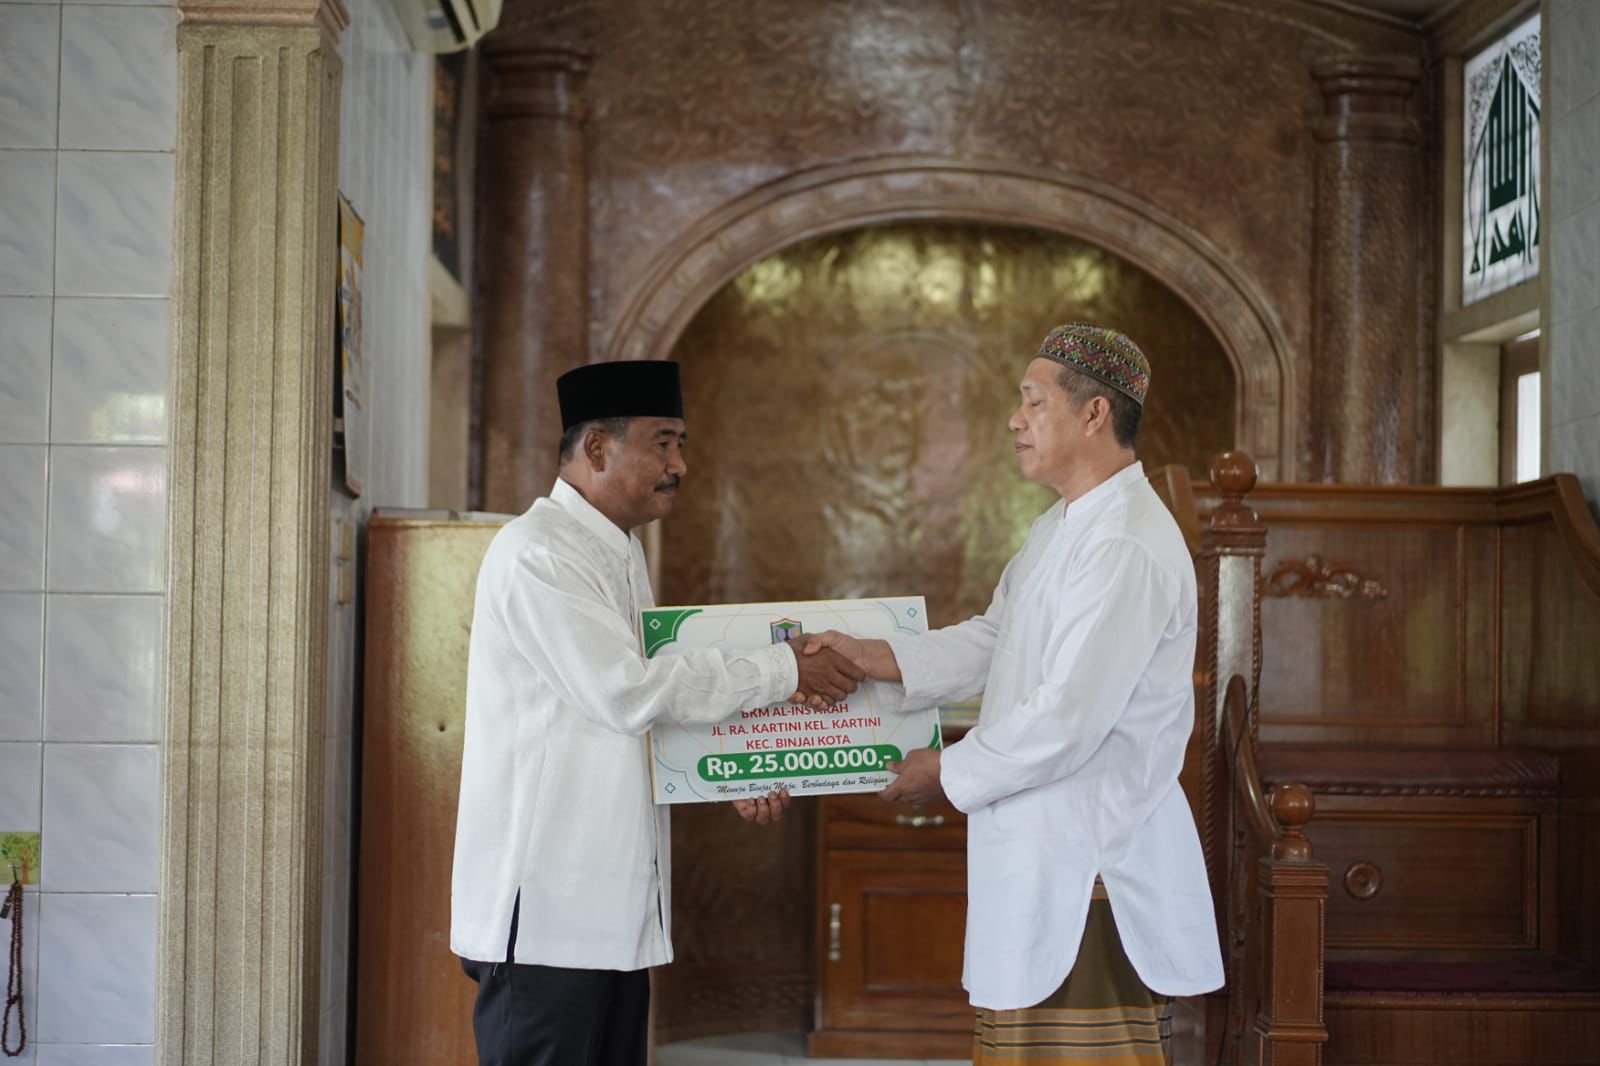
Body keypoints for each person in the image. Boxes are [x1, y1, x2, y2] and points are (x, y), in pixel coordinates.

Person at [806, 324, 1223, 1065]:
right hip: (1044, 856)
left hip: (1090, 866)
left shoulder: (1124, 541)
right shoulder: (1063, 527)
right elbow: (997, 640)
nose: (1014, 420)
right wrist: (877, 657)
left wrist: (945, 772)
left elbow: (1069, 717)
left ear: (1094, 414)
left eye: (1033, 403)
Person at [451, 359, 866, 1066]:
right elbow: (627, 692)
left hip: (608, 910)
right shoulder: (539, 554)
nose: (679, 464)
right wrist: (785, 667)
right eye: (663, 442)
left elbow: (647, 714)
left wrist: (730, 769)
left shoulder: (614, 551)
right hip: (549, 912)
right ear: (597, 448)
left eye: (681, 444)